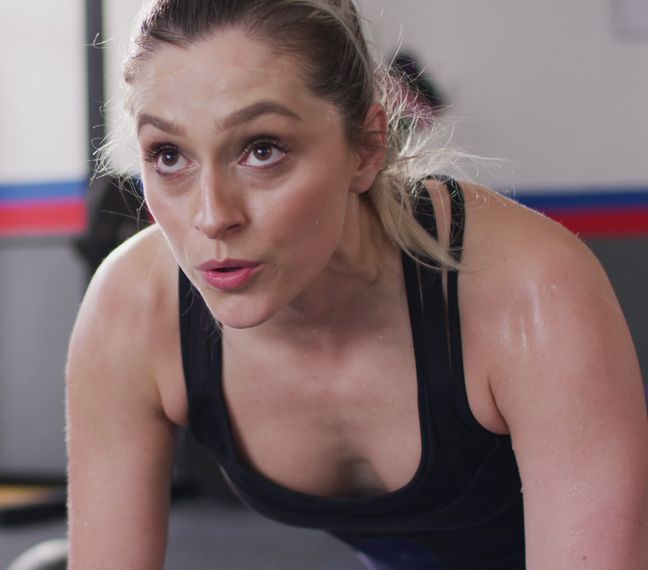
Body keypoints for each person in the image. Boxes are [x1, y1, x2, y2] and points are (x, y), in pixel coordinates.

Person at [64, 0, 648, 568]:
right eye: (168, 156)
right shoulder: (133, 308)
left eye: (262, 150)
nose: (212, 216)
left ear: (367, 147)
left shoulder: (528, 291)